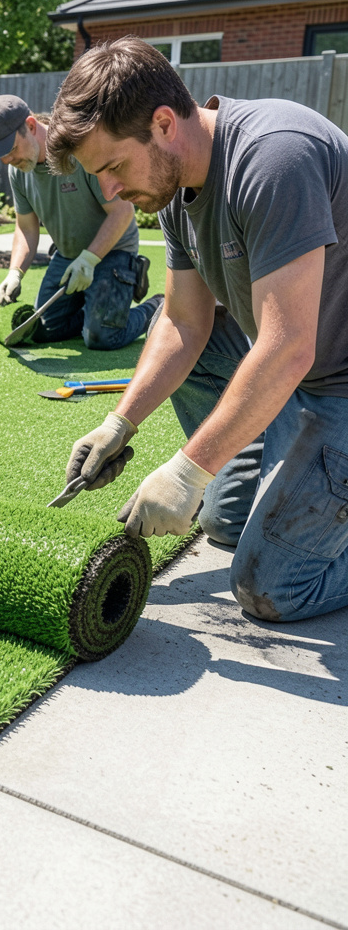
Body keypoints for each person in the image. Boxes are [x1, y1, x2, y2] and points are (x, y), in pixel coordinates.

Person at [48, 34, 348, 622]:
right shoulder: (175, 187)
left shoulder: (273, 157)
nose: (109, 192)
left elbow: (288, 347)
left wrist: (190, 469)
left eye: (111, 167)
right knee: (224, 523)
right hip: (305, 376)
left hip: (336, 381)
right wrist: (119, 422)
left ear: (163, 123)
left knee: (269, 586)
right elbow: (183, 321)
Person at [0, 94, 158, 350]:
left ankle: (154, 308)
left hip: (113, 252)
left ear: (30, 126)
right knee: (42, 330)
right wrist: (15, 272)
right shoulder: (17, 171)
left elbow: (122, 213)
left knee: (101, 337)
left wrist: (89, 259)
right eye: (0, 155)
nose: (7, 160)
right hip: (67, 255)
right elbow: (26, 228)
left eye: (10, 149)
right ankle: (97, 310)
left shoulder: (79, 151)